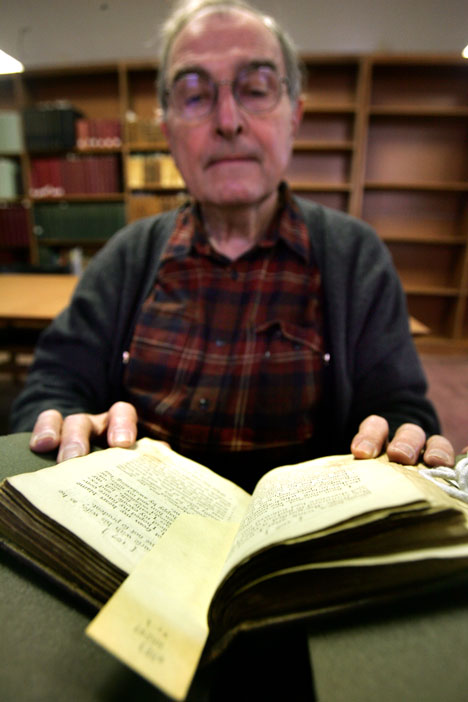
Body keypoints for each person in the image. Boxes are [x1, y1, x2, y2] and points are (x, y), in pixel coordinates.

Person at [10, 0, 455, 491]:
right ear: (168, 131)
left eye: (257, 88)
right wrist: (66, 425)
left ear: (295, 116)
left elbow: (403, 410)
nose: (228, 120)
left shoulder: (357, 257)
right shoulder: (125, 255)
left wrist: (401, 439)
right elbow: (49, 391)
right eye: (195, 95)